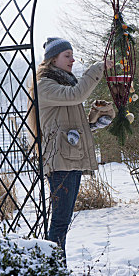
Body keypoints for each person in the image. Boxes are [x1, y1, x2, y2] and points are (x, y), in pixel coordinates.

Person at [28, 37, 114, 262]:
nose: (73, 60)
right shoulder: (44, 85)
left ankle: (56, 266)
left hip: (70, 158)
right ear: (52, 59)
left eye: (72, 55)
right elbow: (76, 95)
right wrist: (98, 69)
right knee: (59, 221)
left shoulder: (64, 82)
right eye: (67, 55)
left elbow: (71, 124)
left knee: (63, 220)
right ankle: (54, 267)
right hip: (59, 161)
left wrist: (95, 119)